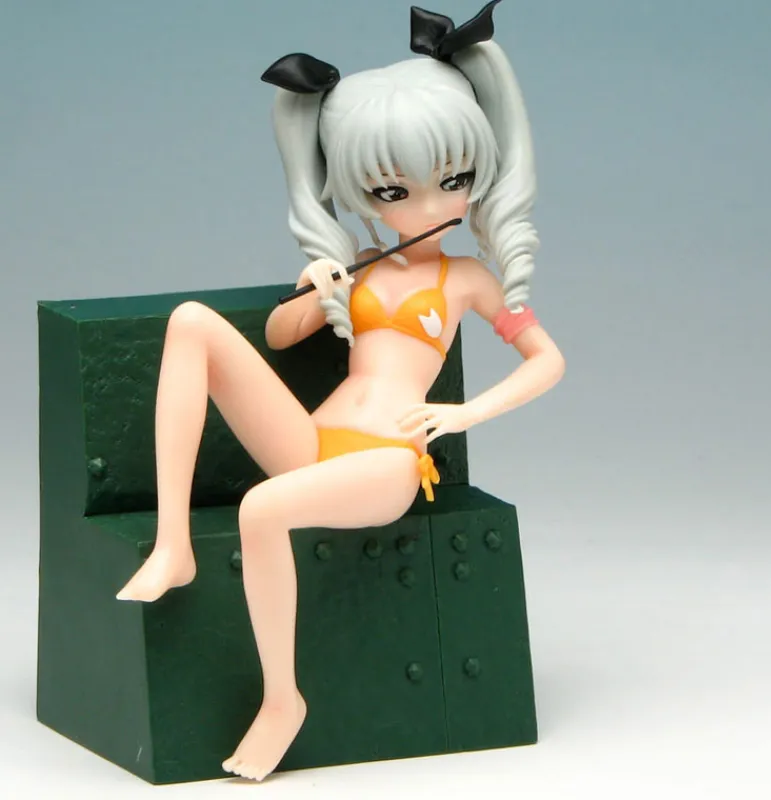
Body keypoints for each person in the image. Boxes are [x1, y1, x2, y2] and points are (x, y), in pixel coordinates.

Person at [116, 0, 565, 782]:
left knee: (260, 509)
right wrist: (315, 290)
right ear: (359, 193)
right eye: (395, 192)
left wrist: (464, 412)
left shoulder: (469, 278)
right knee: (190, 322)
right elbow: (279, 338)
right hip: (314, 443)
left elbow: (546, 360)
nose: (428, 208)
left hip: (389, 461)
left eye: (452, 182)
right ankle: (173, 542)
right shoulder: (359, 266)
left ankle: (282, 700)